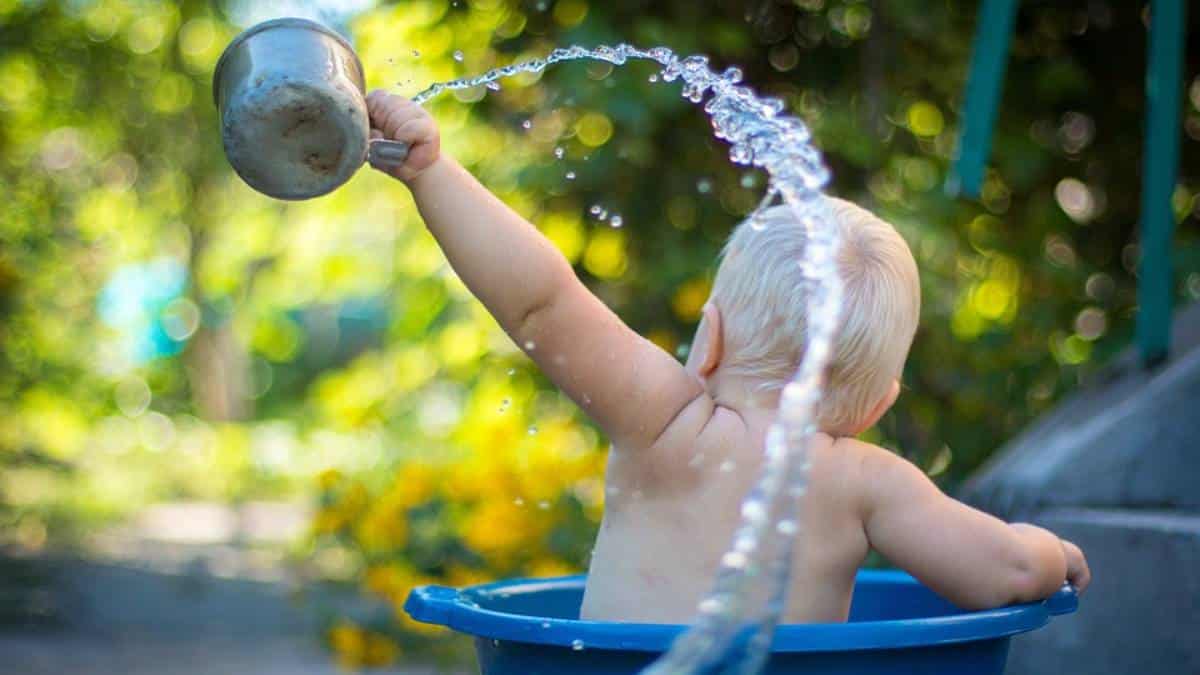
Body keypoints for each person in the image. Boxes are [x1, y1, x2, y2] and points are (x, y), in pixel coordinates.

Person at [365, 91, 1090, 623]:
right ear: (878, 405)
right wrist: (1054, 552)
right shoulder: (869, 483)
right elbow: (1009, 571)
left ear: (706, 338)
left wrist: (432, 170)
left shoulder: (666, 423)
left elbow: (542, 303)